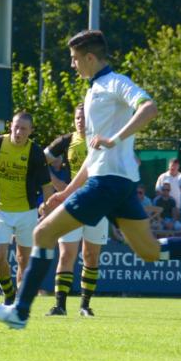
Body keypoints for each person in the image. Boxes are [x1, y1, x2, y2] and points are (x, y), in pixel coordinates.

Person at [0, 29, 181, 329]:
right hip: (117, 182)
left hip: (109, 182)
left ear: (89, 57)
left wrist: (116, 137)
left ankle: (19, 312)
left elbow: (149, 108)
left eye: (74, 59)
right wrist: (68, 191)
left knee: (42, 234)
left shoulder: (115, 83)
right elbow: (94, 155)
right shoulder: (93, 91)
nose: (72, 65)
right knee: (149, 251)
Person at [0, 111, 54, 306]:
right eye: (16, 127)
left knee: (24, 260)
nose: (18, 132)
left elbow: (46, 184)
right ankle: (8, 294)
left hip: (27, 213)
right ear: (11, 126)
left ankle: (18, 299)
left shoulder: (35, 152)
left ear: (30, 131)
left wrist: (48, 210)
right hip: (0, 210)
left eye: (23, 129)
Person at [44, 104, 109, 316]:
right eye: (77, 117)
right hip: (72, 205)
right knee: (66, 254)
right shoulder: (66, 140)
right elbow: (40, 160)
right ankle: (60, 306)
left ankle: (84, 305)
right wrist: (56, 184)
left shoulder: (101, 139)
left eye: (84, 117)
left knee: (90, 255)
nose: (80, 121)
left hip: (97, 204)